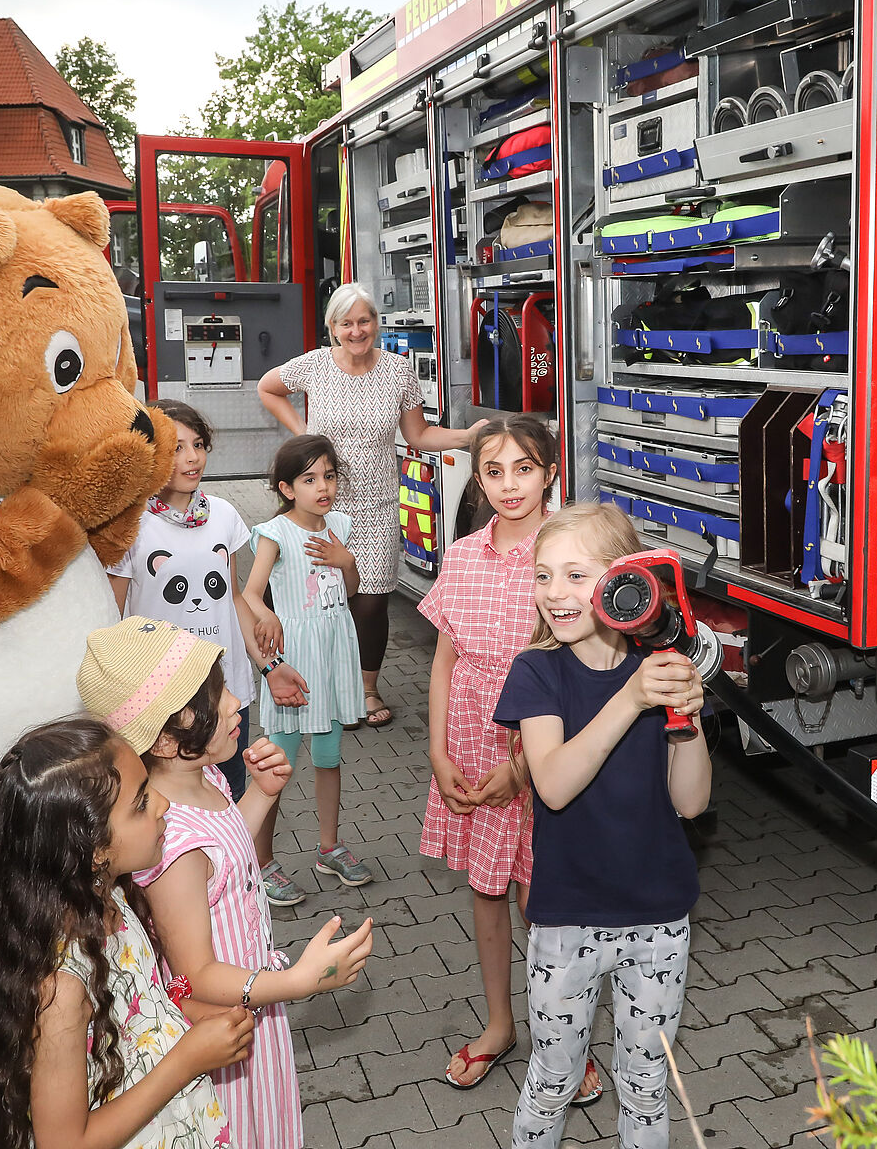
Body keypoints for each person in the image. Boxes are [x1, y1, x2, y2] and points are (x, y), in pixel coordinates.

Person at [83, 619, 374, 1148]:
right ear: (168, 739)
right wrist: (297, 982)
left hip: (250, 1007)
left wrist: (261, 795)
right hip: (223, 1028)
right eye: (216, 694)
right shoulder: (174, 848)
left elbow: (229, 852)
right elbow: (195, 973)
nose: (238, 699)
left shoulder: (207, 779)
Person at [495, 503, 712, 1149]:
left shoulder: (660, 666)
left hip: (658, 920)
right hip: (567, 922)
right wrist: (632, 699)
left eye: (575, 575)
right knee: (555, 1078)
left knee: (646, 1084)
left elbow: (692, 802)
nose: (555, 593)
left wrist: (689, 716)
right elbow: (555, 785)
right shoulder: (538, 672)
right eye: (543, 576)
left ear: (626, 582)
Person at [0, 713, 254, 1149]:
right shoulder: (60, 990)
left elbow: (125, 1017)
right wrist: (187, 1059)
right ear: (93, 849)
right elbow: (65, 1142)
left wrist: (180, 1021)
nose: (163, 805)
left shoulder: (107, 899)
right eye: (142, 803)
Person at [419, 416, 595, 1107]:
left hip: (543, 753)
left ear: (551, 470)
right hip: (470, 746)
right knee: (487, 891)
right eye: (494, 471)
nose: (509, 485)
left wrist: (523, 768)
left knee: (544, 901)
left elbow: (584, 671)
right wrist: (437, 751)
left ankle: (566, 1041)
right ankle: (499, 1024)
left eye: (524, 468)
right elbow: (444, 660)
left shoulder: (567, 553)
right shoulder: (462, 555)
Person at [258, 281, 486, 727]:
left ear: (376, 323)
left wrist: (465, 436)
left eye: (365, 321)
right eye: (347, 323)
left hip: (376, 504)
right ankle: (314, 681)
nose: (357, 331)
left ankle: (366, 688)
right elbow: (268, 388)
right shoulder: (315, 366)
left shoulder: (399, 371)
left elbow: (418, 435)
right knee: (316, 599)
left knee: (370, 603)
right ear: (333, 327)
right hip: (320, 506)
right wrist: (303, 433)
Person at [106, 397, 300, 908]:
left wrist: (271, 667)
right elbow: (115, 618)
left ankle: (237, 883)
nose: (191, 458)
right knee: (163, 806)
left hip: (227, 690)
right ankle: (167, 902)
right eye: (176, 448)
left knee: (231, 795)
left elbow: (233, 600)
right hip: (163, 701)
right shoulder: (131, 528)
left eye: (198, 446)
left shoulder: (225, 516)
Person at [242, 434, 374, 889]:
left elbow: (351, 590)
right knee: (279, 762)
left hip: (335, 652)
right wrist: (267, 615)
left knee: (329, 755)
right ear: (286, 489)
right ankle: (262, 862)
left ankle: (328, 847)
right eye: (310, 478)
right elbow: (249, 596)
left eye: (330, 476)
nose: (324, 487)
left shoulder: (340, 525)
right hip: (294, 659)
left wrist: (346, 560)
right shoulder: (275, 534)